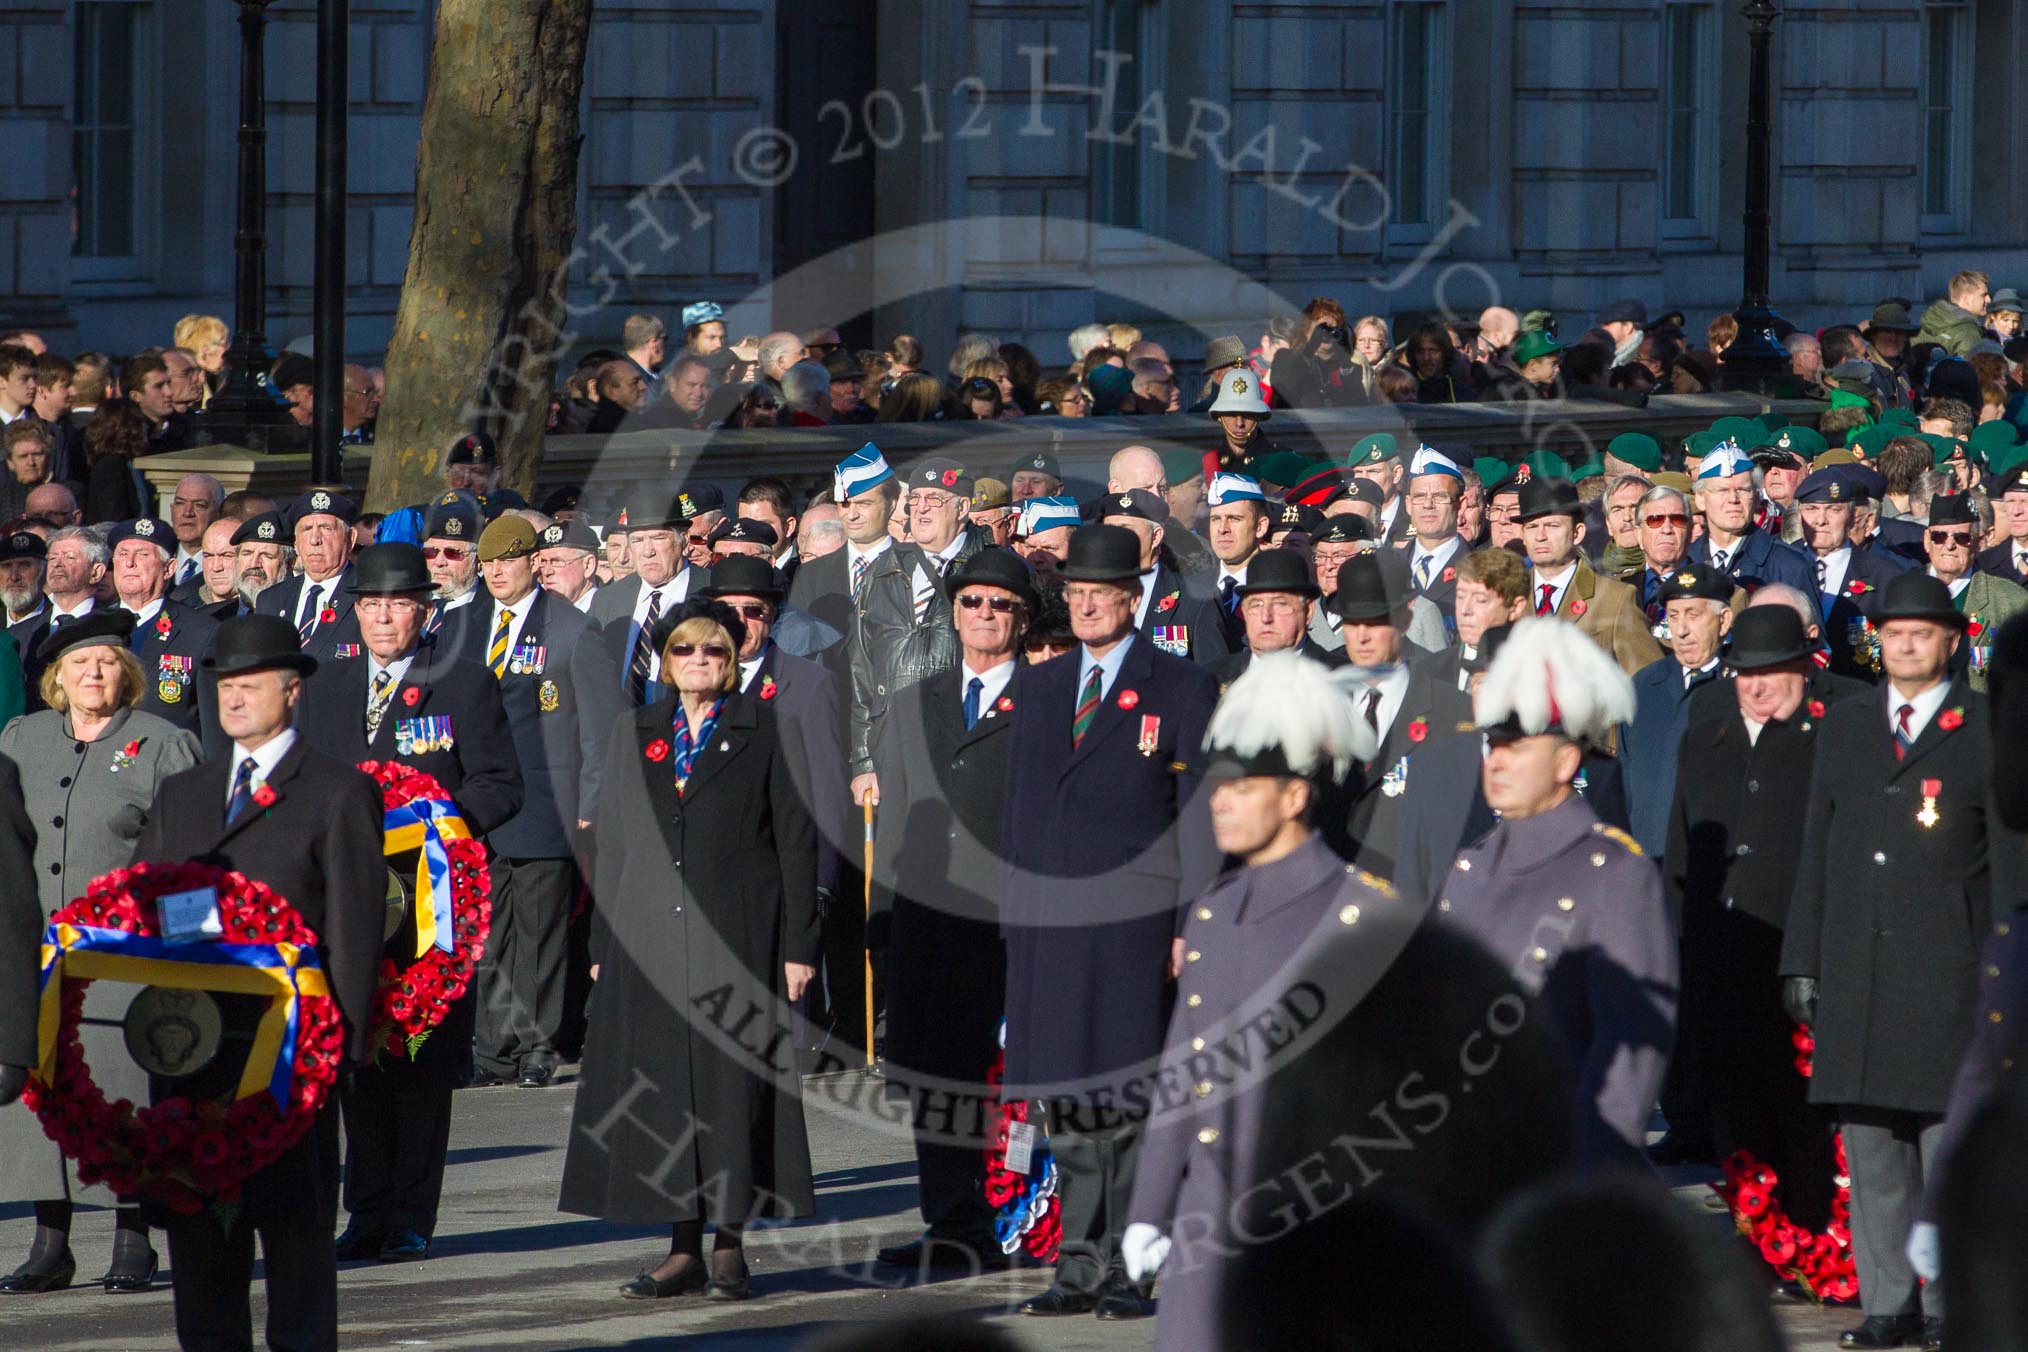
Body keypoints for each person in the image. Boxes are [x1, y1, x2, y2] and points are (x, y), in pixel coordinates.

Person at [1120, 651, 1392, 1350]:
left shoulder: (1359, 916)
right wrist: (1150, 1209)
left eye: (1243, 787)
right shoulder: (1214, 911)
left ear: (1296, 796)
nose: (1220, 800)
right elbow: (1182, 1072)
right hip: (1207, 1220)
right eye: (1218, 785)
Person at [127, 614, 384, 1350]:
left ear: (292, 691)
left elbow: (355, 933)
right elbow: (141, 900)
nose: (233, 699)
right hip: (188, 1049)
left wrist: (343, 1048)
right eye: (225, 686)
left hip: (290, 1058)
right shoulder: (185, 792)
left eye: (250, 685)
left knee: (296, 1240)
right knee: (201, 1241)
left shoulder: (336, 792)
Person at [559, 598, 819, 1301]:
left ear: (731, 663)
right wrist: (601, 941)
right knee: (669, 1093)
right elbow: (612, 844)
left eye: (712, 653)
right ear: (665, 662)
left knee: (733, 1089)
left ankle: (730, 1245)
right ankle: (681, 1247)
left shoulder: (767, 728)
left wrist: (799, 946)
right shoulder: (634, 730)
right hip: (648, 935)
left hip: (738, 932)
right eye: (683, 651)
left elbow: (796, 843)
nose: (698, 663)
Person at [1780, 571, 2010, 1352]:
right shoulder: (1845, 726)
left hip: (1953, 973)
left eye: (1922, 631)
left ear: (1954, 640)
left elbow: (2012, 868)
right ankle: (1888, 1304)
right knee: (1870, 1147)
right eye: (1892, 631)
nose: (1905, 642)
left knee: (1947, 1153)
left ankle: (1950, 1306)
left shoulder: (1986, 729)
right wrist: (1801, 958)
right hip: (1858, 964)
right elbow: (1818, 847)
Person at [1000, 524, 1219, 1319]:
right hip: (1050, 925)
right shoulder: (1045, 685)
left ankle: (1133, 1267)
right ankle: (1079, 1265)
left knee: (1129, 1104)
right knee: (1069, 1102)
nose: (1087, 606)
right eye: (1077, 594)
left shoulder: (1181, 686)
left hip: (1135, 926)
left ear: (1134, 599)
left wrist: (1189, 923)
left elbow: (1196, 816)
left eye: (1103, 594)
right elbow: (1019, 810)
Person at [299, 542, 523, 1264]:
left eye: (399, 604)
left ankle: (408, 1214)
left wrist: (438, 821)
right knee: (356, 1059)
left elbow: (500, 783)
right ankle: (363, 1211)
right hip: (348, 903)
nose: (384, 617)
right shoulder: (325, 688)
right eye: (372, 604)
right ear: (353, 610)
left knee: (421, 1061)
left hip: (431, 907)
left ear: (424, 612)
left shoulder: (463, 683)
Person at [0, 611, 200, 1293]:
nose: (93, 673)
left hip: (124, 955)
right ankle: (50, 1241)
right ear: (56, 677)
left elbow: (192, 857)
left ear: (129, 675)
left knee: (123, 1090)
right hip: (33, 951)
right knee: (38, 1098)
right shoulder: (22, 739)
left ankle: (132, 1238)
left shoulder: (163, 743)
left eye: (108, 662)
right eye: (79, 664)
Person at [1437, 617, 1676, 1160]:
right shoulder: (1469, 869)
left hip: (1566, 1159)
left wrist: (1586, 1167)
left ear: (1567, 760)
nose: (1496, 761)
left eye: (1517, 748)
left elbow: (1630, 1049)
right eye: (1493, 744)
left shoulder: (1614, 872)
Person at [871, 549, 1036, 1271]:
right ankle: (950, 1222)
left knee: (1003, 1079)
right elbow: (899, 817)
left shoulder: (1049, 699)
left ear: (1022, 619)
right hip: (926, 922)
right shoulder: (916, 702)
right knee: (933, 1078)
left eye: (1001, 604)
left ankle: (1015, 1220)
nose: (985, 616)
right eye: (972, 602)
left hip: (1011, 925)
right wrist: (882, 924)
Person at [1659, 605, 1843, 1203]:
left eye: (1772, 672)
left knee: (1804, 1116)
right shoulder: (1706, 738)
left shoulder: (1833, 739)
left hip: (1798, 953)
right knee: (1735, 1112)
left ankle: (1809, 1237)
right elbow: (1683, 851)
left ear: (1805, 669)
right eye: (1744, 673)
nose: (1756, 687)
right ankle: (1759, 1237)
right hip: (1722, 958)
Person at [458, 517, 618, 1090]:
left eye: (510, 560)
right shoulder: (463, 623)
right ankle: (493, 1048)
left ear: (535, 563)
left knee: (541, 936)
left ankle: (539, 1047)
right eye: (489, 563)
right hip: (479, 806)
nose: (497, 571)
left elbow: (601, 727)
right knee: (488, 934)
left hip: (548, 803)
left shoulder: (572, 629)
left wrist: (592, 800)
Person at [1331, 549, 1472, 877]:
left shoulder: (1452, 711)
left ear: (1406, 618)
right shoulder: (1319, 704)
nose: (1362, 636)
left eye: (1376, 621)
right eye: (1352, 623)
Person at [1617, 565, 1733, 858]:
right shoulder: (1644, 686)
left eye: (1693, 615)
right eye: (1674, 616)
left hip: (1718, 864)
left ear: (1724, 621)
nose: (1681, 631)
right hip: (1650, 859)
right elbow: (1626, 780)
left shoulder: (1742, 687)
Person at [1514, 474, 1661, 676]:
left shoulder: (1615, 599)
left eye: (1552, 526)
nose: (1540, 536)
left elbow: (1649, 680)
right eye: (1531, 527)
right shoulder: (1508, 597)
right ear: (1522, 535)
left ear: (1578, 533)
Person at [107, 516, 221, 741]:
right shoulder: (90, 626)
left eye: (143, 554)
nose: (129, 562)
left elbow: (213, 725)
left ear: (169, 568)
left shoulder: (201, 631)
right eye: (122, 554)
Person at [591, 491, 707, 707]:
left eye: (658, 538)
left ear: (685, 541)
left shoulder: (713, 593)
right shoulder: (607, 600)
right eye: (637, 540)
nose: (647, 551)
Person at [1793, 467, 1908, 681]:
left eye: (1833, 510)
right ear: (1799, 514)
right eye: (1811, 509)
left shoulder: (1885, 577)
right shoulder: (1783, 565)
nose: (1820, 520)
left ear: (1852, 516)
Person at [1924, 491, 2027, 691]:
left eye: (1962, 538)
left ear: (1978, 544)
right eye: (1939, 536)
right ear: (1927, 541)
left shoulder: (2011, 600)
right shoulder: (1899, 590)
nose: (1950, 545)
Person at [1687, 441, 1818, 596]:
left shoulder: (1790, 566)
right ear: (1700, 499)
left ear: (1757, 498)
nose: (1733, 499)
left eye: (1743, 490)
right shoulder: (1686, 560)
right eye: (1721, 490)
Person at [253, 491, 364, 663]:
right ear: (295, 544)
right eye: (306, 529)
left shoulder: (367, 595)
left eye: (326, 528)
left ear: (350, 538)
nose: (314, 540)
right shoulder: (271, 600)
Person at [1207, 548, 1338, 684]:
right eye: (1256, 605)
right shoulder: (1212, 679)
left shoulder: (1342, 680)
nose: (1266, 617)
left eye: (1280, 604)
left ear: (1308, 611)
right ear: (1244, 612)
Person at [1401, 446, 1470, 633]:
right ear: (1408, 504)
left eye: (1440, 496)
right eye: (1419, 496)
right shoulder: (1385, 566)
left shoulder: (1479, 569)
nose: (1427, 504)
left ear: (1460, 504)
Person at [534, 518, 602, 614]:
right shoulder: (539, 613)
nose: (546, 572)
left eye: (557, 561)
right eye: (543, 561)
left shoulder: (608, 615)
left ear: (588, 565)